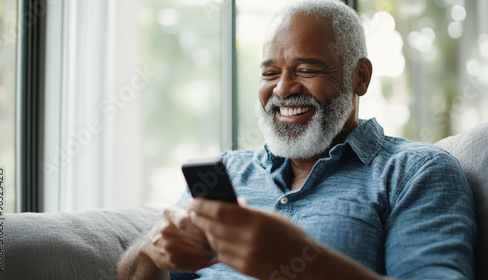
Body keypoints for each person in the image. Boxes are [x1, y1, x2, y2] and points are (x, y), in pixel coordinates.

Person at [118, 0, 477, 279]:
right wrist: (152, 250)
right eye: (270, 73)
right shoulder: (227, 171)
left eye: (306, 70)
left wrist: (298, 263)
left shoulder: (415, 172)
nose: (284, 89)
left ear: (360, 78)